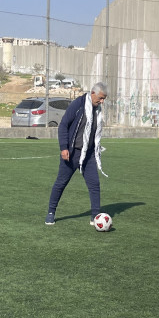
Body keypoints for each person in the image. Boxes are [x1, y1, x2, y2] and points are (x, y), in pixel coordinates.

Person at [45, 82, 108, 225]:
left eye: (104, 99)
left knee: (94, 184)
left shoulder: (97, 110)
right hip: (72, 153)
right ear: (93, 93)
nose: (102, 101)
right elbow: (63, 125)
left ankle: (95, 216)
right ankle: (51, 212)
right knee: (61, 183)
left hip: (88, 154)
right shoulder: (78, 104)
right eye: (101, 98)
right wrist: (64, 147)